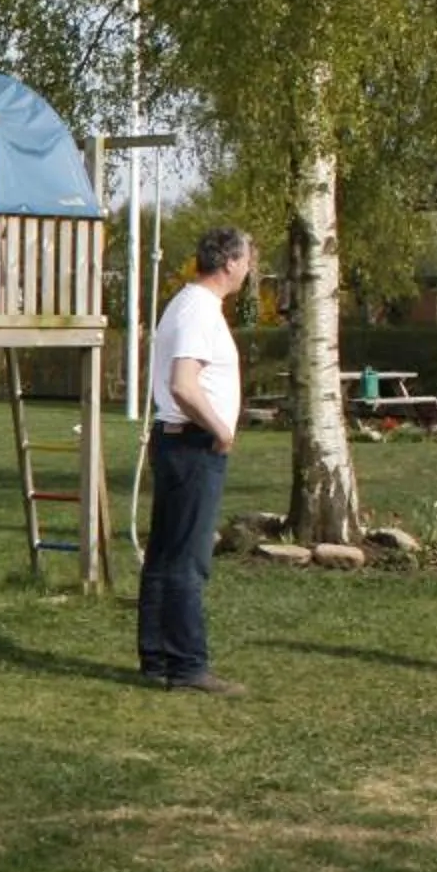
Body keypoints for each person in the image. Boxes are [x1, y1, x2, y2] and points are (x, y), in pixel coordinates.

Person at [137, 226, 256, 696]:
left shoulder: (191, 305)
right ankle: (187, 666)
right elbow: (184, 384)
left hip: (179, 443)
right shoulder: (198, 310)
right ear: (228, 262)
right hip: (190, 445)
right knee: (186, 558)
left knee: (166, 555)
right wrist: (219, 429)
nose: (249, 268)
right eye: (247, 258)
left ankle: (157, 658)